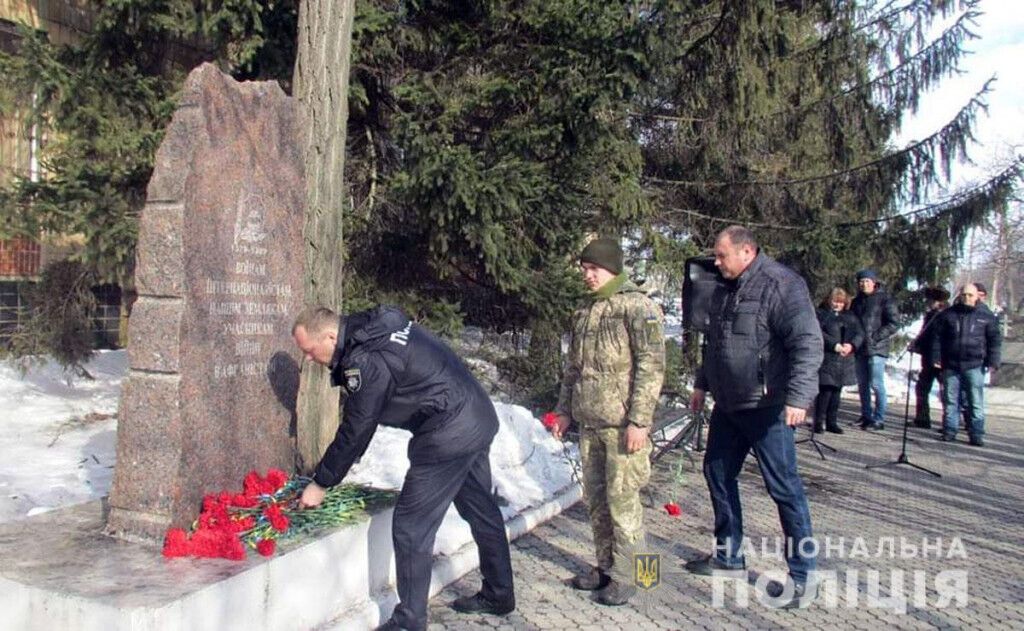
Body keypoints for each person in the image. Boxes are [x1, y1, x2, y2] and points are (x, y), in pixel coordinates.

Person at [292, 305, 514, 631]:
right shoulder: (375, 328)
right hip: (474, 416)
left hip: (448, 432)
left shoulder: (364, 359)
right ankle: (499, 593)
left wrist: (321, 482)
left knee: (411, 527)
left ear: (329, 335)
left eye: (310, 351)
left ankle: (409, 621)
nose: (309, 359)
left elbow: (357, 428)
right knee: (481, 509)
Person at [685, 226, 822, 609]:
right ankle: (728, 556)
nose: (715, 261)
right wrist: (701, 384)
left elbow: (808, 343)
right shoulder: (724, 287)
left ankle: (803, 577)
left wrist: (798, 397)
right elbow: (714, 342)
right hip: (728, 406)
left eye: (721, 255)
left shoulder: (782, 285)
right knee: (717, 474)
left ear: (746, 251)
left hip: (767, 408)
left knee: (785, 490)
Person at [548, 237, 665, 607]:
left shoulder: (638, 307)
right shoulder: (586, 312)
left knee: (624, 502)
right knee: (597, 502)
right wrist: (564, 411)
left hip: (622, 426)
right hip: (590, 424)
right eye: (584, 269)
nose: (587, 275)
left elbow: (651, 367)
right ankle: (607, 567)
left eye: (593, 269)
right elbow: (574, 369)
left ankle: (639, 577)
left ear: (612, 268)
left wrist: (640, 421)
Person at [929, 284, 1002, 446]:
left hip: (975, 364)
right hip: (951, 364)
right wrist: (936, 357)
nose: (967, 298)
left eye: (970, 295)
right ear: (959, 296)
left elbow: (994, 340)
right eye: (964, 295)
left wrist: (993, 361)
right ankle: (949, 430)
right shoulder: (948, 315)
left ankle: (976, 433)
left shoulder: (986, 316)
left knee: (975, 402)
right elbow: (937, 339)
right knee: (950, 401)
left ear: (977, 296)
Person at [850, 269, 900, 430]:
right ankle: (866, 415)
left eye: (867, 281)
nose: (864, 284)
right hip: (860, 348)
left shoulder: (885, 299)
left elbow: (893, 323)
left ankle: (879, 418)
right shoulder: (857, 301)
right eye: (861, 281)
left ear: (874, 282)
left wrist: (876, 337)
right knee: (862, 384)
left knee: (876, 384)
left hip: (877, 349)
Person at [814, 288, 864, 434]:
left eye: (841, 302)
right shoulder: (822, 314)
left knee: (837, 392)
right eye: (835, 302)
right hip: (828, 357)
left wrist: (852, 345)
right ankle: (818, 421)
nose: (837, 305)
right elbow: (818, 332)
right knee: (825, 391)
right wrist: (833, 345)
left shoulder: (851, 316)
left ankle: (832, 422)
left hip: (845, 359)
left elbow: (860, 333)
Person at [911, 287, 950, 429]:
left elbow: (944, 340)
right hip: (928, 358)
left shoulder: (947, 315)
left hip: (942, 360)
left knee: (946, 392)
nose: (928, 303)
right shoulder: (931, 315)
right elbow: (926, 334)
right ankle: (922, 419)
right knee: (921, 388)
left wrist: (940, 358)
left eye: (931, 300)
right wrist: (917, 344)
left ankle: (949, 422)